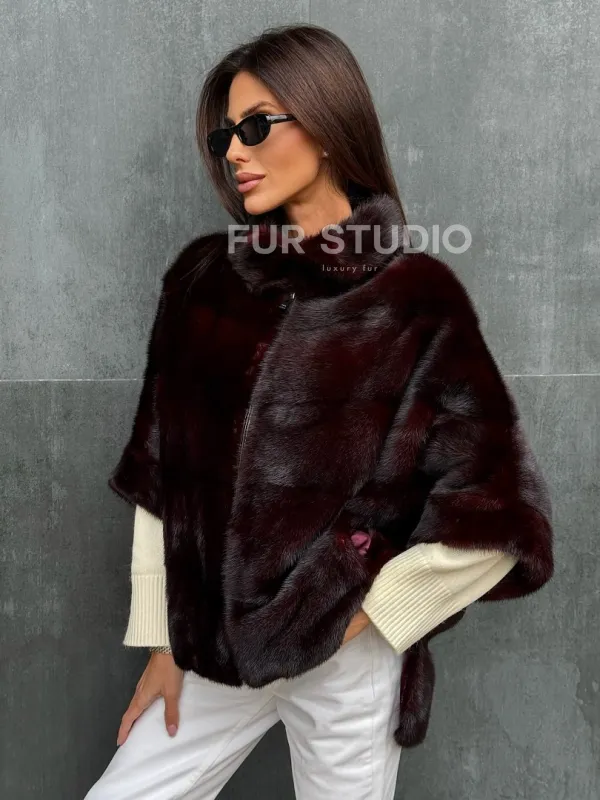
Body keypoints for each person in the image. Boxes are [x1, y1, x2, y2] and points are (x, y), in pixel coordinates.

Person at [85, 23, 553, 800]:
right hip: (213, 646)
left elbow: (500, 511)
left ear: (328, 127)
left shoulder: (415, 298)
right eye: (226, 135)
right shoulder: (203, 283)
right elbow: (163, 475)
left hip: (345, 663)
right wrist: (162, 642)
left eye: (257, 127)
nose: (235, 153)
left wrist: (368, 614)